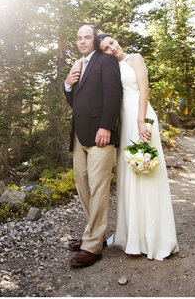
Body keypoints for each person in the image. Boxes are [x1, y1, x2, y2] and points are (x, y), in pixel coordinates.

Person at [96, 33, 179, 260]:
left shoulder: (135, 58)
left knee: (146, 170)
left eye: (111, 42)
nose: (111, 48)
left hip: (141, 116)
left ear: (116, 40)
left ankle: (154, 237)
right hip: (124, 121)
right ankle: (131, 235)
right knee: (129, 173)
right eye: (105, 48)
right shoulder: (110, 68)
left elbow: (145, 90)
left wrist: (141, 120)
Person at [64, 24, 122, 268]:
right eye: (79, 38)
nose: (82, 41)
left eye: (87, 37)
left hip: (100, 135)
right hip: (79, 134)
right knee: (82, 182)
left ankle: (93, 246)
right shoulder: (79, 64)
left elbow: (113, 93)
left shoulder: (104, 60)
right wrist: (68, 84)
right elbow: (75, 102)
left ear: (94, 38)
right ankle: (92, 232)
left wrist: (106, 126)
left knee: (98, 187)